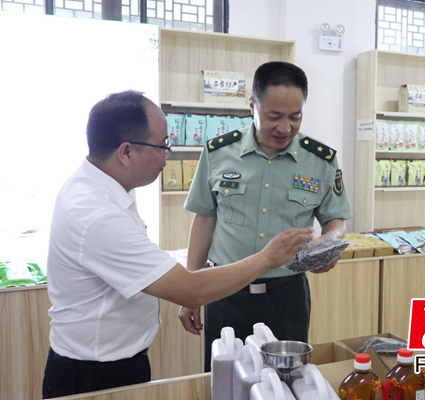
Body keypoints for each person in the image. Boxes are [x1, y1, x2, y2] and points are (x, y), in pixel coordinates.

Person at [42, 90, 313, 398]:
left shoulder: (104, 185)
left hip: (112, 361)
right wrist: (267, 257)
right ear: (126, 152)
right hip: (95, 374)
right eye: (162, 145)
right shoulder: (96, 214)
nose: (166, 155)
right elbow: (189, 288)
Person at [180, 61, 352, 371]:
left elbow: (336, 219)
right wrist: (190, 291)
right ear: (253, 106)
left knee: (287, 382)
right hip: (224, 289)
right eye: (273, 116)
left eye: (295, 116)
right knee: (224, 381)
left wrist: (329, 242)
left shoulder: (321, 160)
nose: (285, 128)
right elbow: (204, 220)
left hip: (286, 295)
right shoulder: (219, 152)